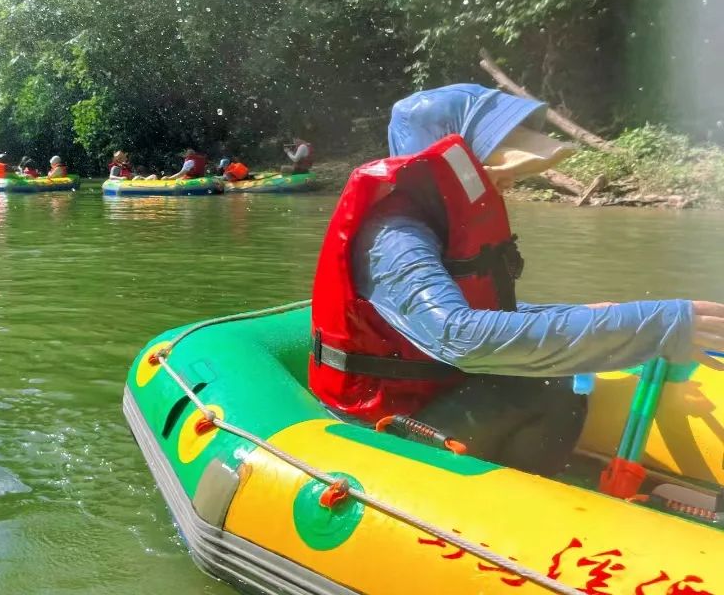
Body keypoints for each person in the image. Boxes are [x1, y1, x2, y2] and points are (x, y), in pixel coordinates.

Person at [309, 84, 724, 477]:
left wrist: (576, 315)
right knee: (548, 386)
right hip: (379, 424)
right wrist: (654, 325)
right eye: (498, 163)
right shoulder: (395, 236)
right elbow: (459, 336)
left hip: (434, 389)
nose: (510, 180)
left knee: (551, 380)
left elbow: (473, 311)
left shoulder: (439, 219)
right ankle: (522, 508)